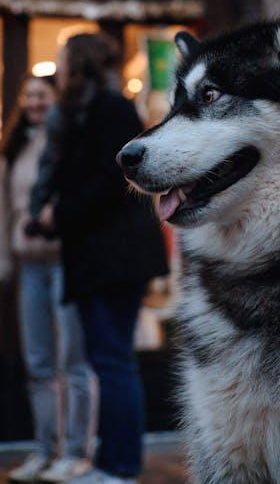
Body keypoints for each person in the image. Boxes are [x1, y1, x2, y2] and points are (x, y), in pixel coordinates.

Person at [39, 33, 168, 484]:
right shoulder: (89, 110)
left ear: (81, 63)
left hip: (113, 258)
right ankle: (112, 463)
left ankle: (120, 466)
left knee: (112, 361)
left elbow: (110, 183)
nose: (59, 67)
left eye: (63, 59)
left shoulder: (108, 107)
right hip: (102, 258)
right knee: (108, 360)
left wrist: (59, 212)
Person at [0, 74, 95, 484]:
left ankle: (77, 452)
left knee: (73, 362)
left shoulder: (67, 142)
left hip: (65, 260)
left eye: (42, 94)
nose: (35, 101)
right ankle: (44, 450)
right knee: (38, 364)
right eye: (29, 95)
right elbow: (3, 210)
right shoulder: (13, 150)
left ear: (55, 98)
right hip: (29, 266)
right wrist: (5, 259)